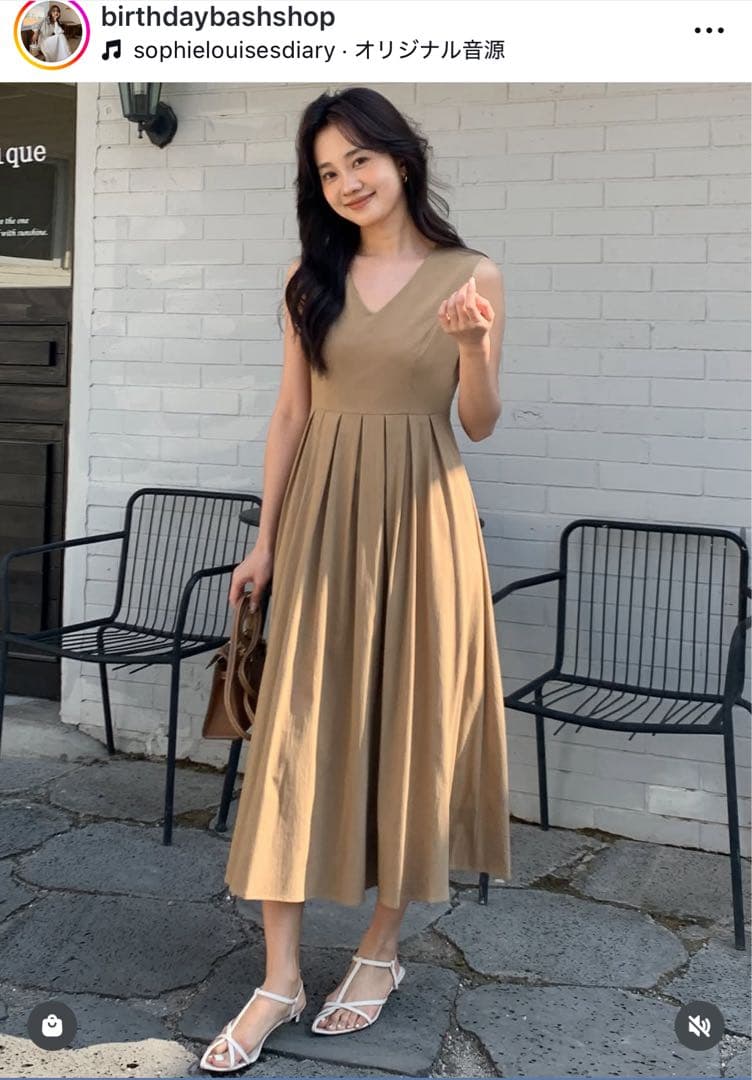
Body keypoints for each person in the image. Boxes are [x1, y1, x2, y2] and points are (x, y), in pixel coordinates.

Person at [200, 86, 510, 1073]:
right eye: (327, 171)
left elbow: (479, 421)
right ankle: (278, 979)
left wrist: (473, 350)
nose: (346, 182)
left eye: (358, 160)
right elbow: (291, 415)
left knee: (410, 732)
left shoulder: (471, 274)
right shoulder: (310, 278)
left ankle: (380, 949)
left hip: (423, 528)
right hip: (323, 522)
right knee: (292, 738)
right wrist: (264, 541)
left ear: (400, 157)